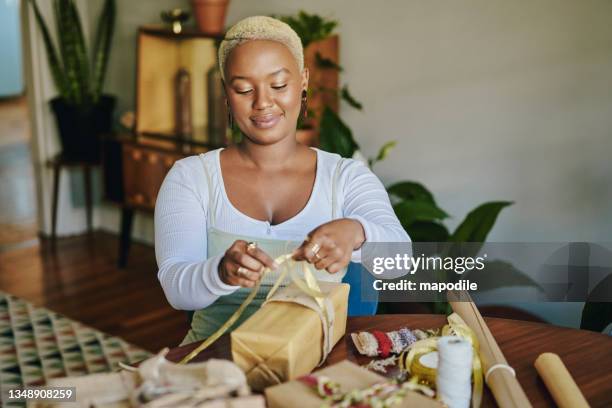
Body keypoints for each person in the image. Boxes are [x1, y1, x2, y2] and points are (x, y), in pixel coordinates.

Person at [154, 16, 410, 345]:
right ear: (226, 94)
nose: (262, 103)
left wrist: (357, 233)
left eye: (278, 85)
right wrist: (220, 271)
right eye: (244, 89)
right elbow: (177, 290)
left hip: (320, 364)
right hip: (215, 359)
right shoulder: (191, 177)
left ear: (303, 81)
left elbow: (401, 261)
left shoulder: (345, 178)